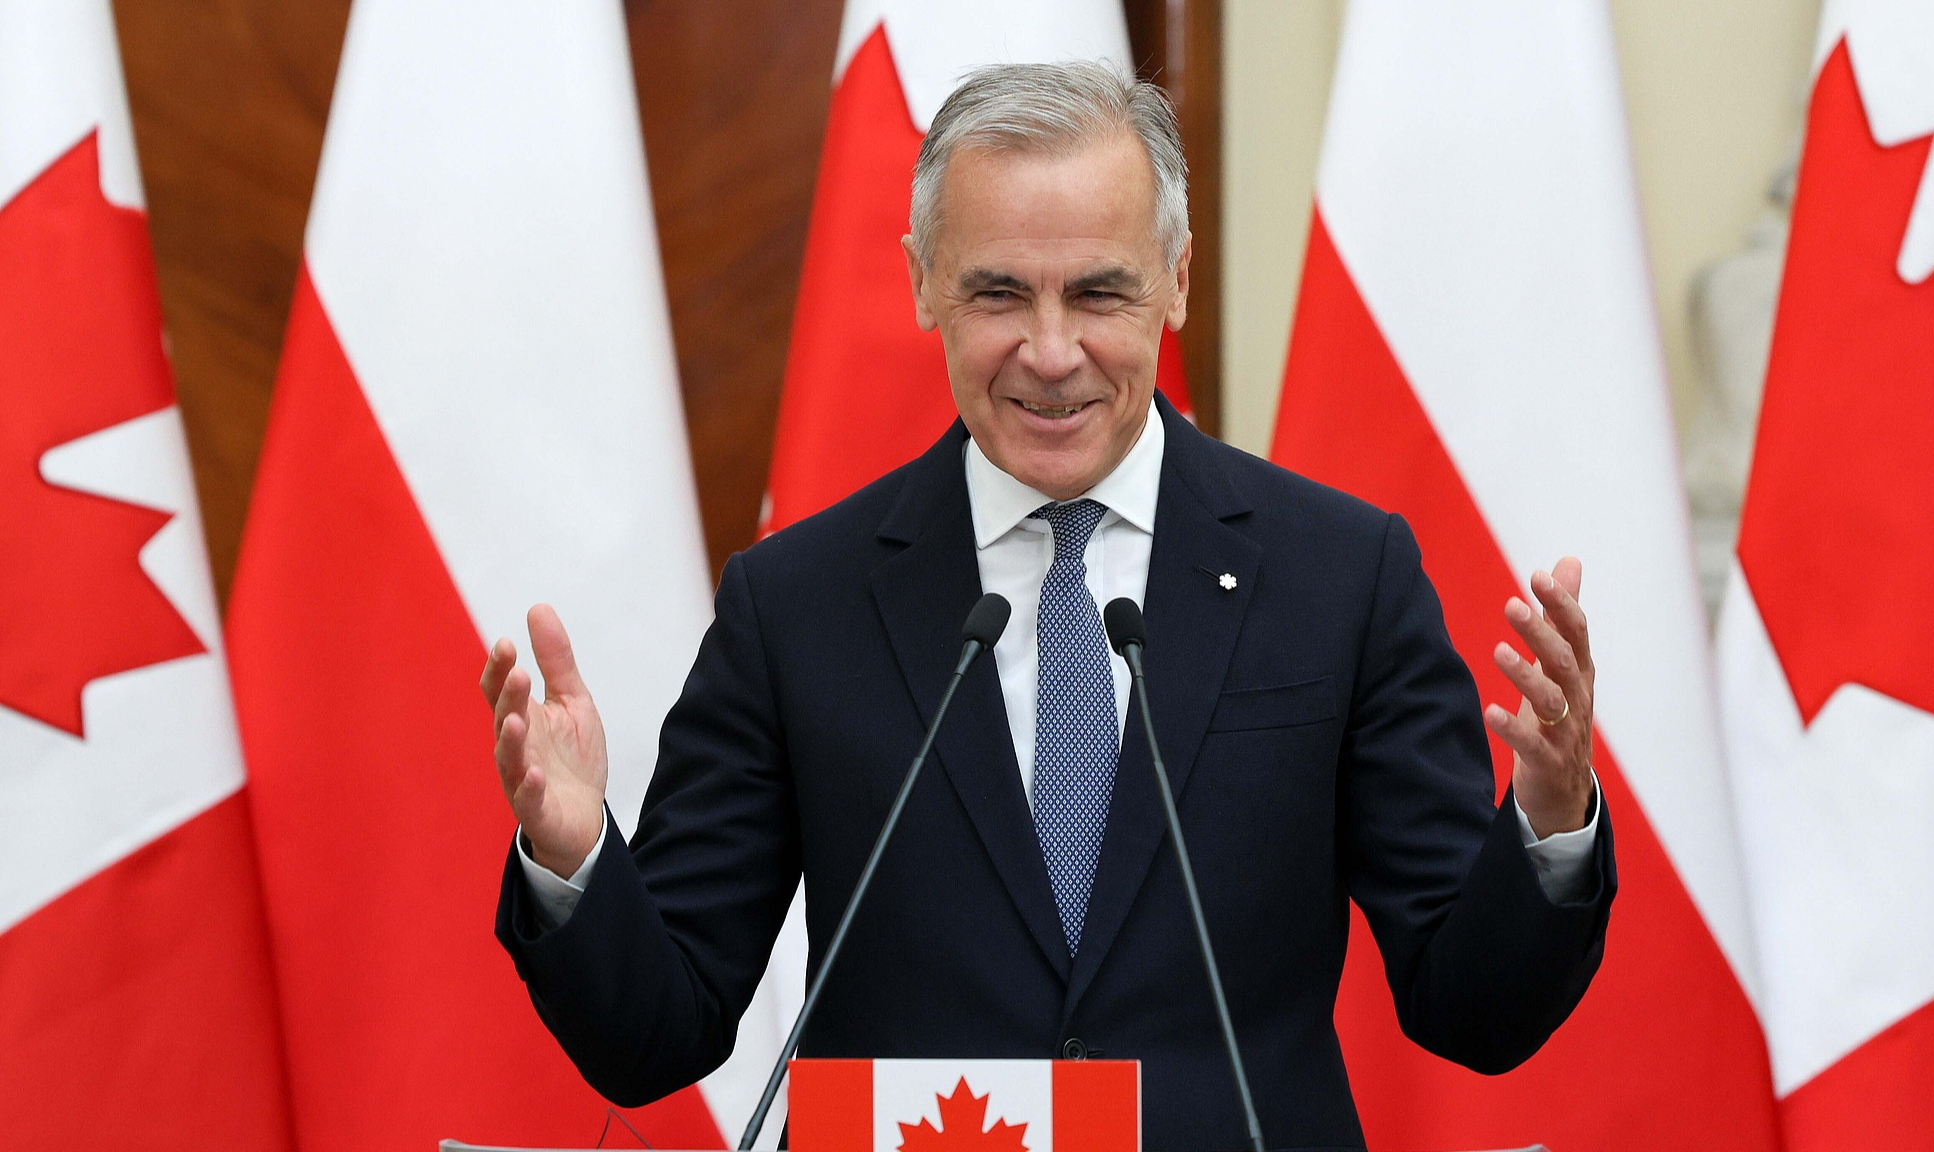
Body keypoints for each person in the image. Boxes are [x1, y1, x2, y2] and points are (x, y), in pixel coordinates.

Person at [483, 62, 1612, 1149]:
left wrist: (1549, 825)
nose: (1052, 350)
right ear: (924, 281)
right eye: (997, 292)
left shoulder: (1337, 576)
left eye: (1098, 291)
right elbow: (657, 1032)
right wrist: (574, 854)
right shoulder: (796, 604)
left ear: (1174, 276)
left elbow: (1474, 1013)